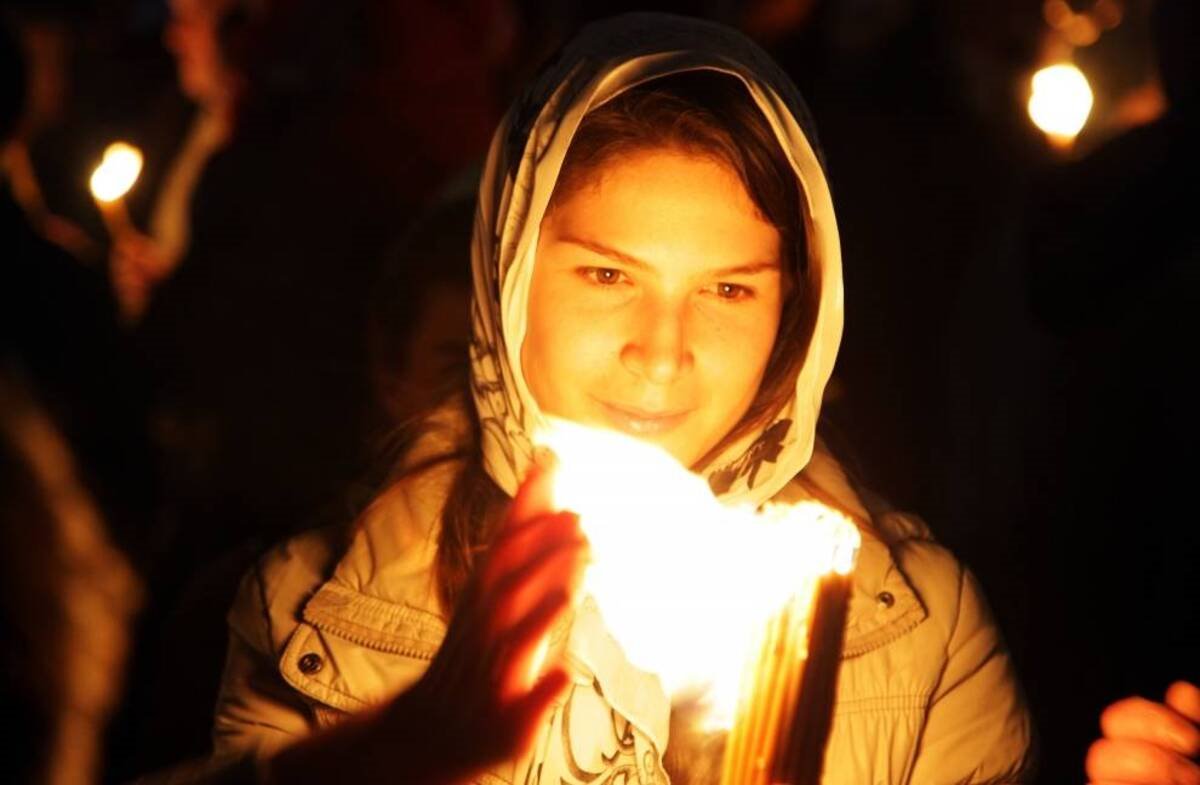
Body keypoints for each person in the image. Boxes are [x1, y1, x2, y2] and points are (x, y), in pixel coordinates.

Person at [184, 14, 1035, 785]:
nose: (661, 352)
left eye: (728, 290)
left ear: (795, 313)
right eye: (607, 275)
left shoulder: (919, 631)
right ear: (510, 278)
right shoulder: (315, 616)